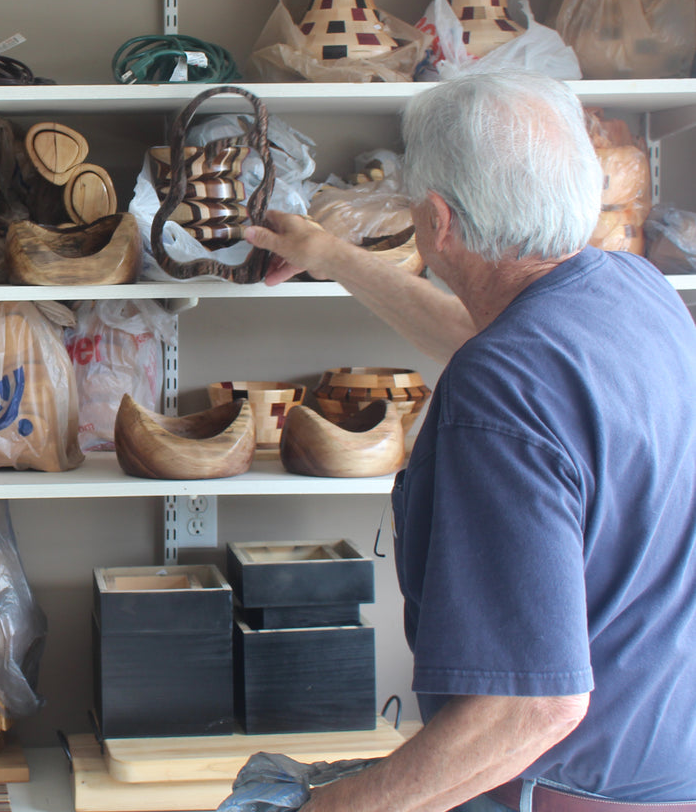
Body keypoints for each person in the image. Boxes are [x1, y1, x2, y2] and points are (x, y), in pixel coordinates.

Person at [243, 70, 696, 811]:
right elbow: (486, 335)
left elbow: (533, 709)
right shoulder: (632, 290)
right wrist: (335, 258)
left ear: (436, 224)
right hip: (668, 769)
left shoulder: (500, 387)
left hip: (557, 787)